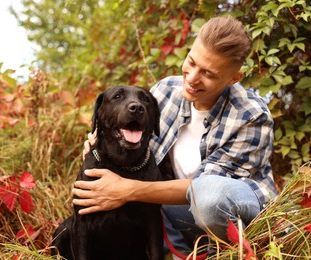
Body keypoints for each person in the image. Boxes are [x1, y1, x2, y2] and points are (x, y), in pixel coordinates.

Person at [72, 15, 277, 255]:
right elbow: (132, 136)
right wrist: (99, 143)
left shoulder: (252, 115)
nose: (191, 79)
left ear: (233, 78)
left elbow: (202, 190)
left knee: (209, 199)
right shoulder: (165, 91)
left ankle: (225, 253)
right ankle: (179, 251)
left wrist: (126, 189)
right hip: (179, 210)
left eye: (208, 74)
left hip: (232, 211)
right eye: (191, 62)